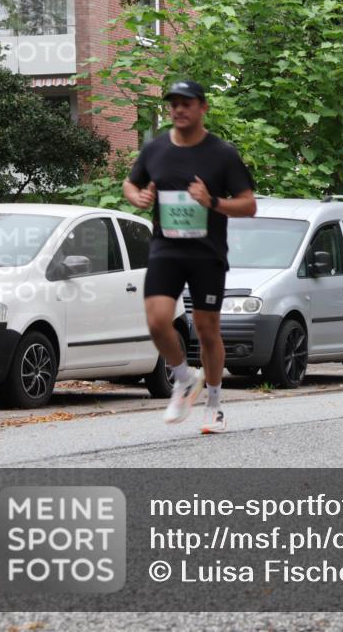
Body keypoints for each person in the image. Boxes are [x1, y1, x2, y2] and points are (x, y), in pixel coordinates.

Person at [123, 79, 257, 433]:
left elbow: (249, 205)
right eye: (173, 104)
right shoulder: (155, 150)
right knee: (156, 321)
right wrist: (136, 197)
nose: (179, 110)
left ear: (203, 107)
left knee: (207, 329)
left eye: (187, 103)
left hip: (206, 253)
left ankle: (214, 404)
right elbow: (130, 183)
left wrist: (212, 201)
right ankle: (183, 379)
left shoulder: (222, 154)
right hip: (166, 248)